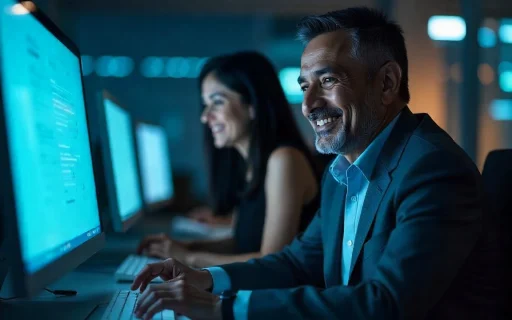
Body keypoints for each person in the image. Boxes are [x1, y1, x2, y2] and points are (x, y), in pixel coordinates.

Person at [130, 7, 502, 320]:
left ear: (387, 83)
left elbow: (387, 304)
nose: (309, 105)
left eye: (328, 79)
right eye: (305, 85)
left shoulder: (433, 170)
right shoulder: (341, 172)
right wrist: (206, 278)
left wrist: (223, 307)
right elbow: (296, 263)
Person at [137, 51, 320, 268]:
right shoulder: (253, 164)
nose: (205, 117)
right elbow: (243, 243)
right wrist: (185, 247)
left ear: (252, 105)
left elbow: (272, 263)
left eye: (217, 102)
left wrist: (187, 258)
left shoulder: (284, 160)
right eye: (205, 105)